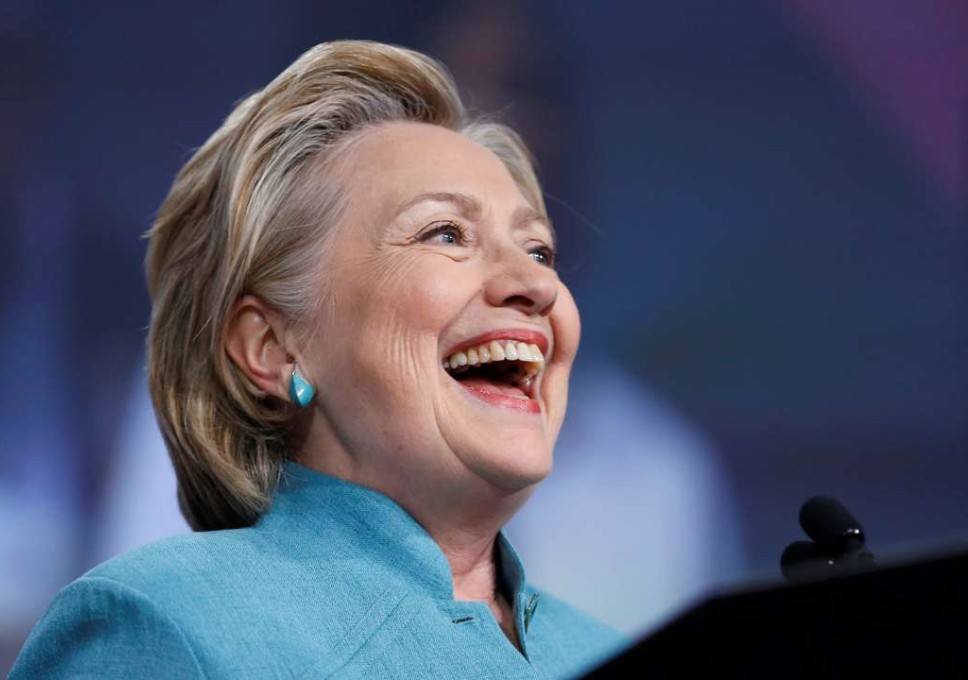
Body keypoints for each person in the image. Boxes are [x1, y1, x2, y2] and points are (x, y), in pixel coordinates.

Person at [10, 40, 627, 678]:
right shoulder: (167, 630)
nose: (538, 286)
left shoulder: (612, 657)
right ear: (273, 349)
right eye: (444, 234)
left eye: (539, 251)